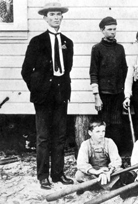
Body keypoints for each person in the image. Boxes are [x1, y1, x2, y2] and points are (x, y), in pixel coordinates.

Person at [21, 2, 74, 189]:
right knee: (43, 136)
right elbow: (26, 71)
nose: (56, 17)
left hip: (61, 95)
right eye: (52, 14)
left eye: (59, 14)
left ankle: (58, 174)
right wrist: (37, 88)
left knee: (60, 136)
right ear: (45, 18)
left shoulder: (68, 42)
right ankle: (43, 175)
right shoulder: (37, 42)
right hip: (43, 96)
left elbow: (66, 70)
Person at [89, 16, 128, 149]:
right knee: (104, 125)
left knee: (117, 124)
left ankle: (116, 156)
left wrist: (126, 94)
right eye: (109, 29)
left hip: (118, 94)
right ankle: (103, 154)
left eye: (114, 29)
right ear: (102, 30)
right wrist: (97, 96)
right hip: (103, 94)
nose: (113, 32)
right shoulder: (97, 49)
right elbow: (93, 73)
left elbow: (125, 71)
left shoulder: (120, 49)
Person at [75, 121, 122, 193]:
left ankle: (93, 185)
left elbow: (116, 160)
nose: (101, 134)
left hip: (107, 172)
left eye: (103, 131)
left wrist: (109, 172)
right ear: (90, 133)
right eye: (97, 132)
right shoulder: (85, 144)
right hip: (93, 173)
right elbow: (81, 164)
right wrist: (96, 172)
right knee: (79, 175)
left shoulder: (109, 142)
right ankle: (106, 185)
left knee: (120, 171)